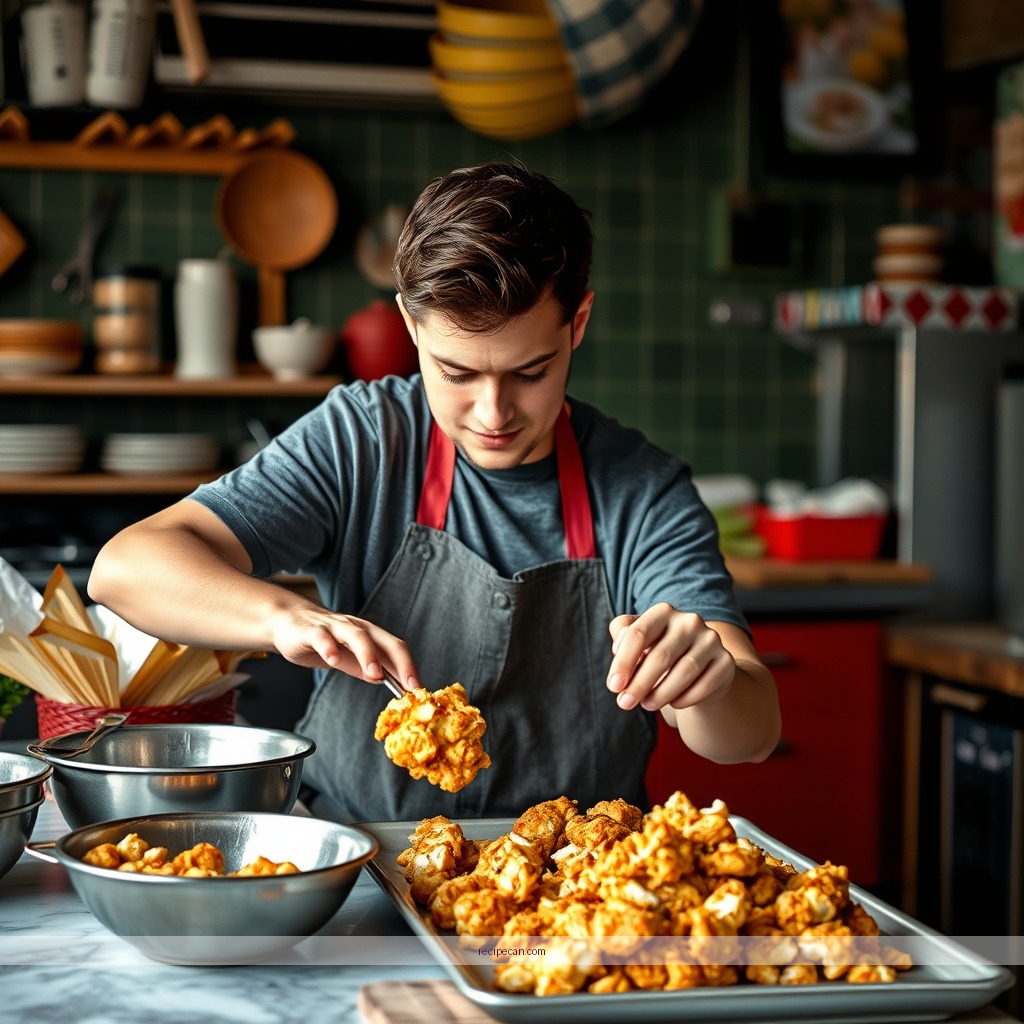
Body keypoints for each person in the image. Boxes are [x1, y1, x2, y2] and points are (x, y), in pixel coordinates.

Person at [88, 161, 780, 823]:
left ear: (579, 324)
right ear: (412, 327)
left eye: (530, 373)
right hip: (359, 864)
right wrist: (286, 619)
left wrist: (712, 679)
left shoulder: (643, 493)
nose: (493, 413)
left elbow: (748, 738)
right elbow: (126, 568)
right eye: (455, 373)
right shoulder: (364, 440)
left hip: (574, 892)